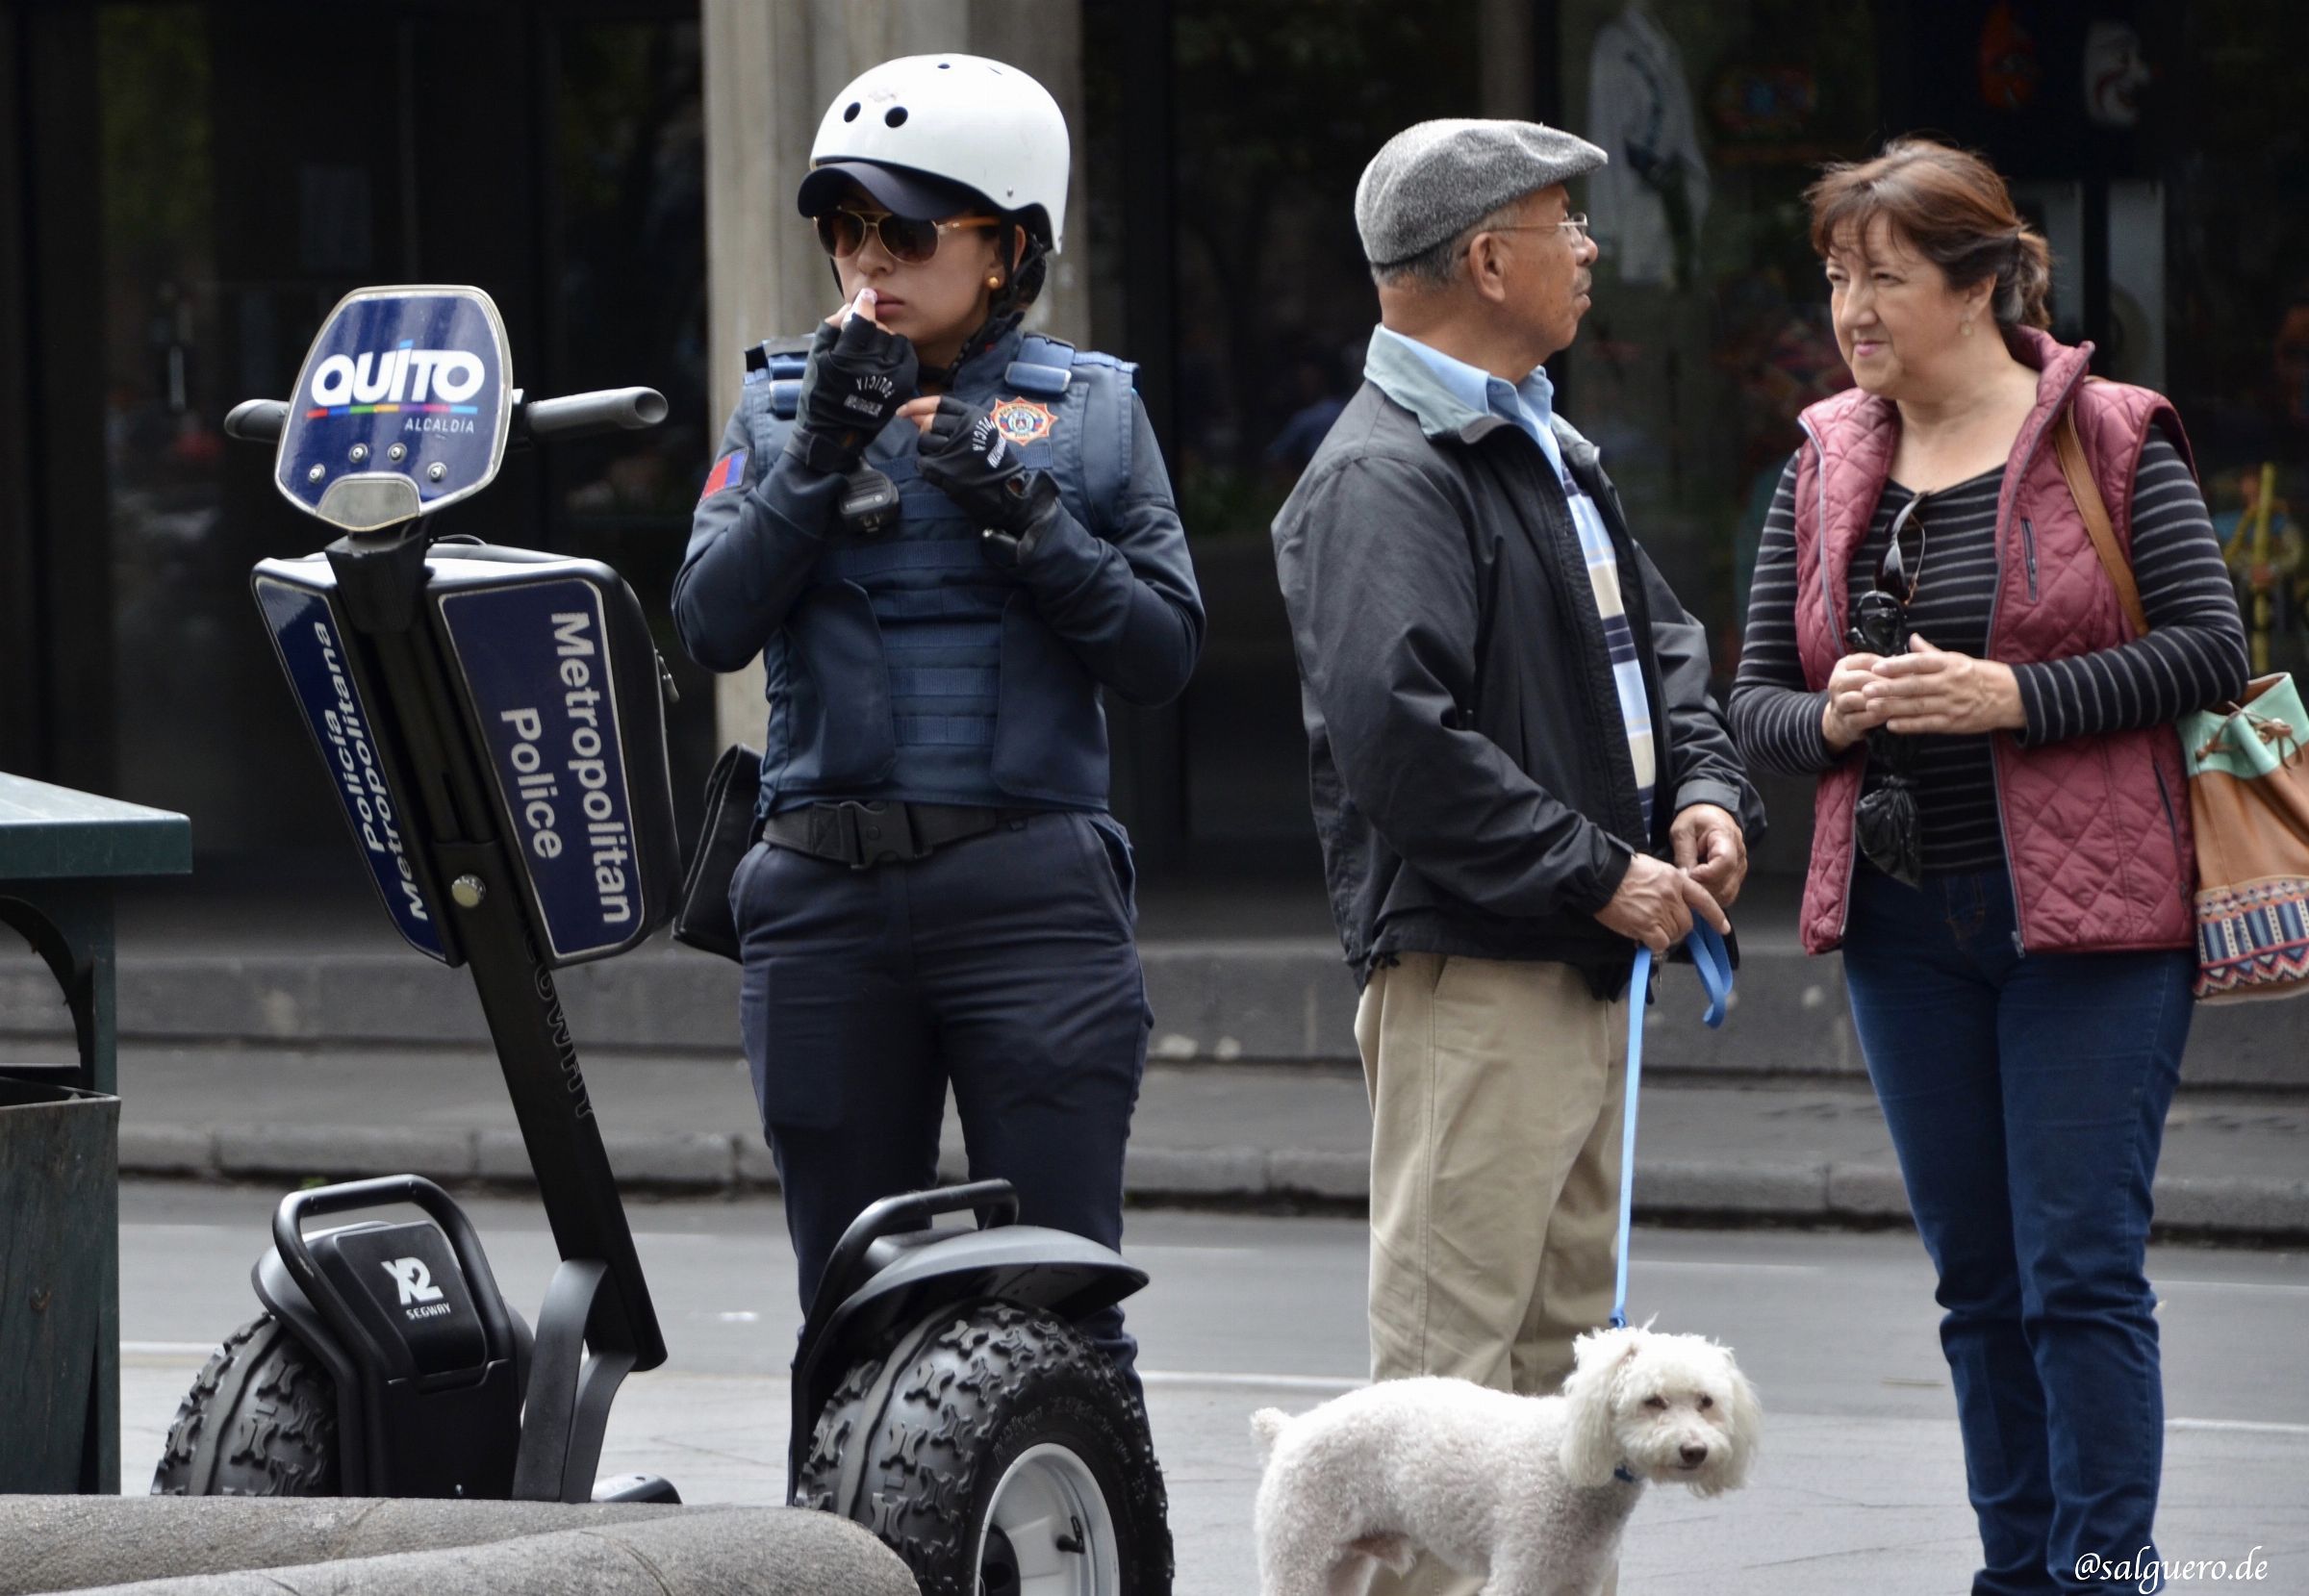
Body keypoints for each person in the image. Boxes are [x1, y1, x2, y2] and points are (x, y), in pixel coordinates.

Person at [1729, 138, 2249, 1595]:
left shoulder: (2113, 434)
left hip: (2096, 925)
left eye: (1883, 278)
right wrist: (1829, 715)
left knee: (2080, 1271)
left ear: (1978, 283)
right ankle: (2015, 1572)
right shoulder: (1826, 461)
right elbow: (1756, 696)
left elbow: (2212, 651)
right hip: (1906, 926)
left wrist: (2012, 698)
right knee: (1979, 1285)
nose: (1851, 311)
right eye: (1836, 278)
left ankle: (2105, 1573)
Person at [1271, 118, 1760, 1596]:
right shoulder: (1387, 471)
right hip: (1481, 974)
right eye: (1564, 219)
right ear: (1487, 257)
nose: (1590, 245)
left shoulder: (1533, 435)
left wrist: (1704, 788)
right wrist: (1595, 870)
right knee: (1440, 1413)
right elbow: (1398, 741)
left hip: (1569, 960)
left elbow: (1661, 642)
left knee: (1563, 1418)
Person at [671, 54, 1204, 1397]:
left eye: (906, 233)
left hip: (1030, 898)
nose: (868, 265)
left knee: (1063, 1303)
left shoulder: (1094, 414)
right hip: (822, 901)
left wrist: (1031, 519)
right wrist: (811, 468)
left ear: (1011, 245)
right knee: (848, 1321)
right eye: (845, 231)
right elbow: (709, 622)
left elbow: (1159, 651)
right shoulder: (782, 404)